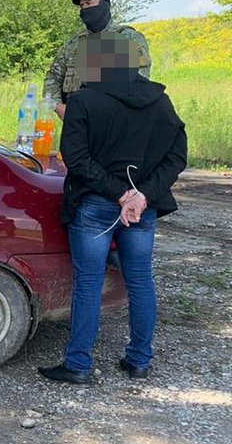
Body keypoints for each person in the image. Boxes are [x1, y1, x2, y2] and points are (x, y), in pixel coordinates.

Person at [38, 32, 187, 385]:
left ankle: (78, 365)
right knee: (140, 281)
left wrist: (121, 195)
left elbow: (75, 158)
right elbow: (176, 157)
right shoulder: (160, 102)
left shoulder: (85, 101)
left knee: (88, 284)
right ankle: (139, 360)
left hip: (95, 206)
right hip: (141, 208)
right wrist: (142, 196)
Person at [44, 0, 151, 118]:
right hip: (77, 123)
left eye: (89, 3)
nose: (84, 9)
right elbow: (53, 77)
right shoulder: (73, 44)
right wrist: (58, 107)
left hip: (116, 121)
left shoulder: (128, 38)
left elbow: (139, 82)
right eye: (82, 6)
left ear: (104, 5)